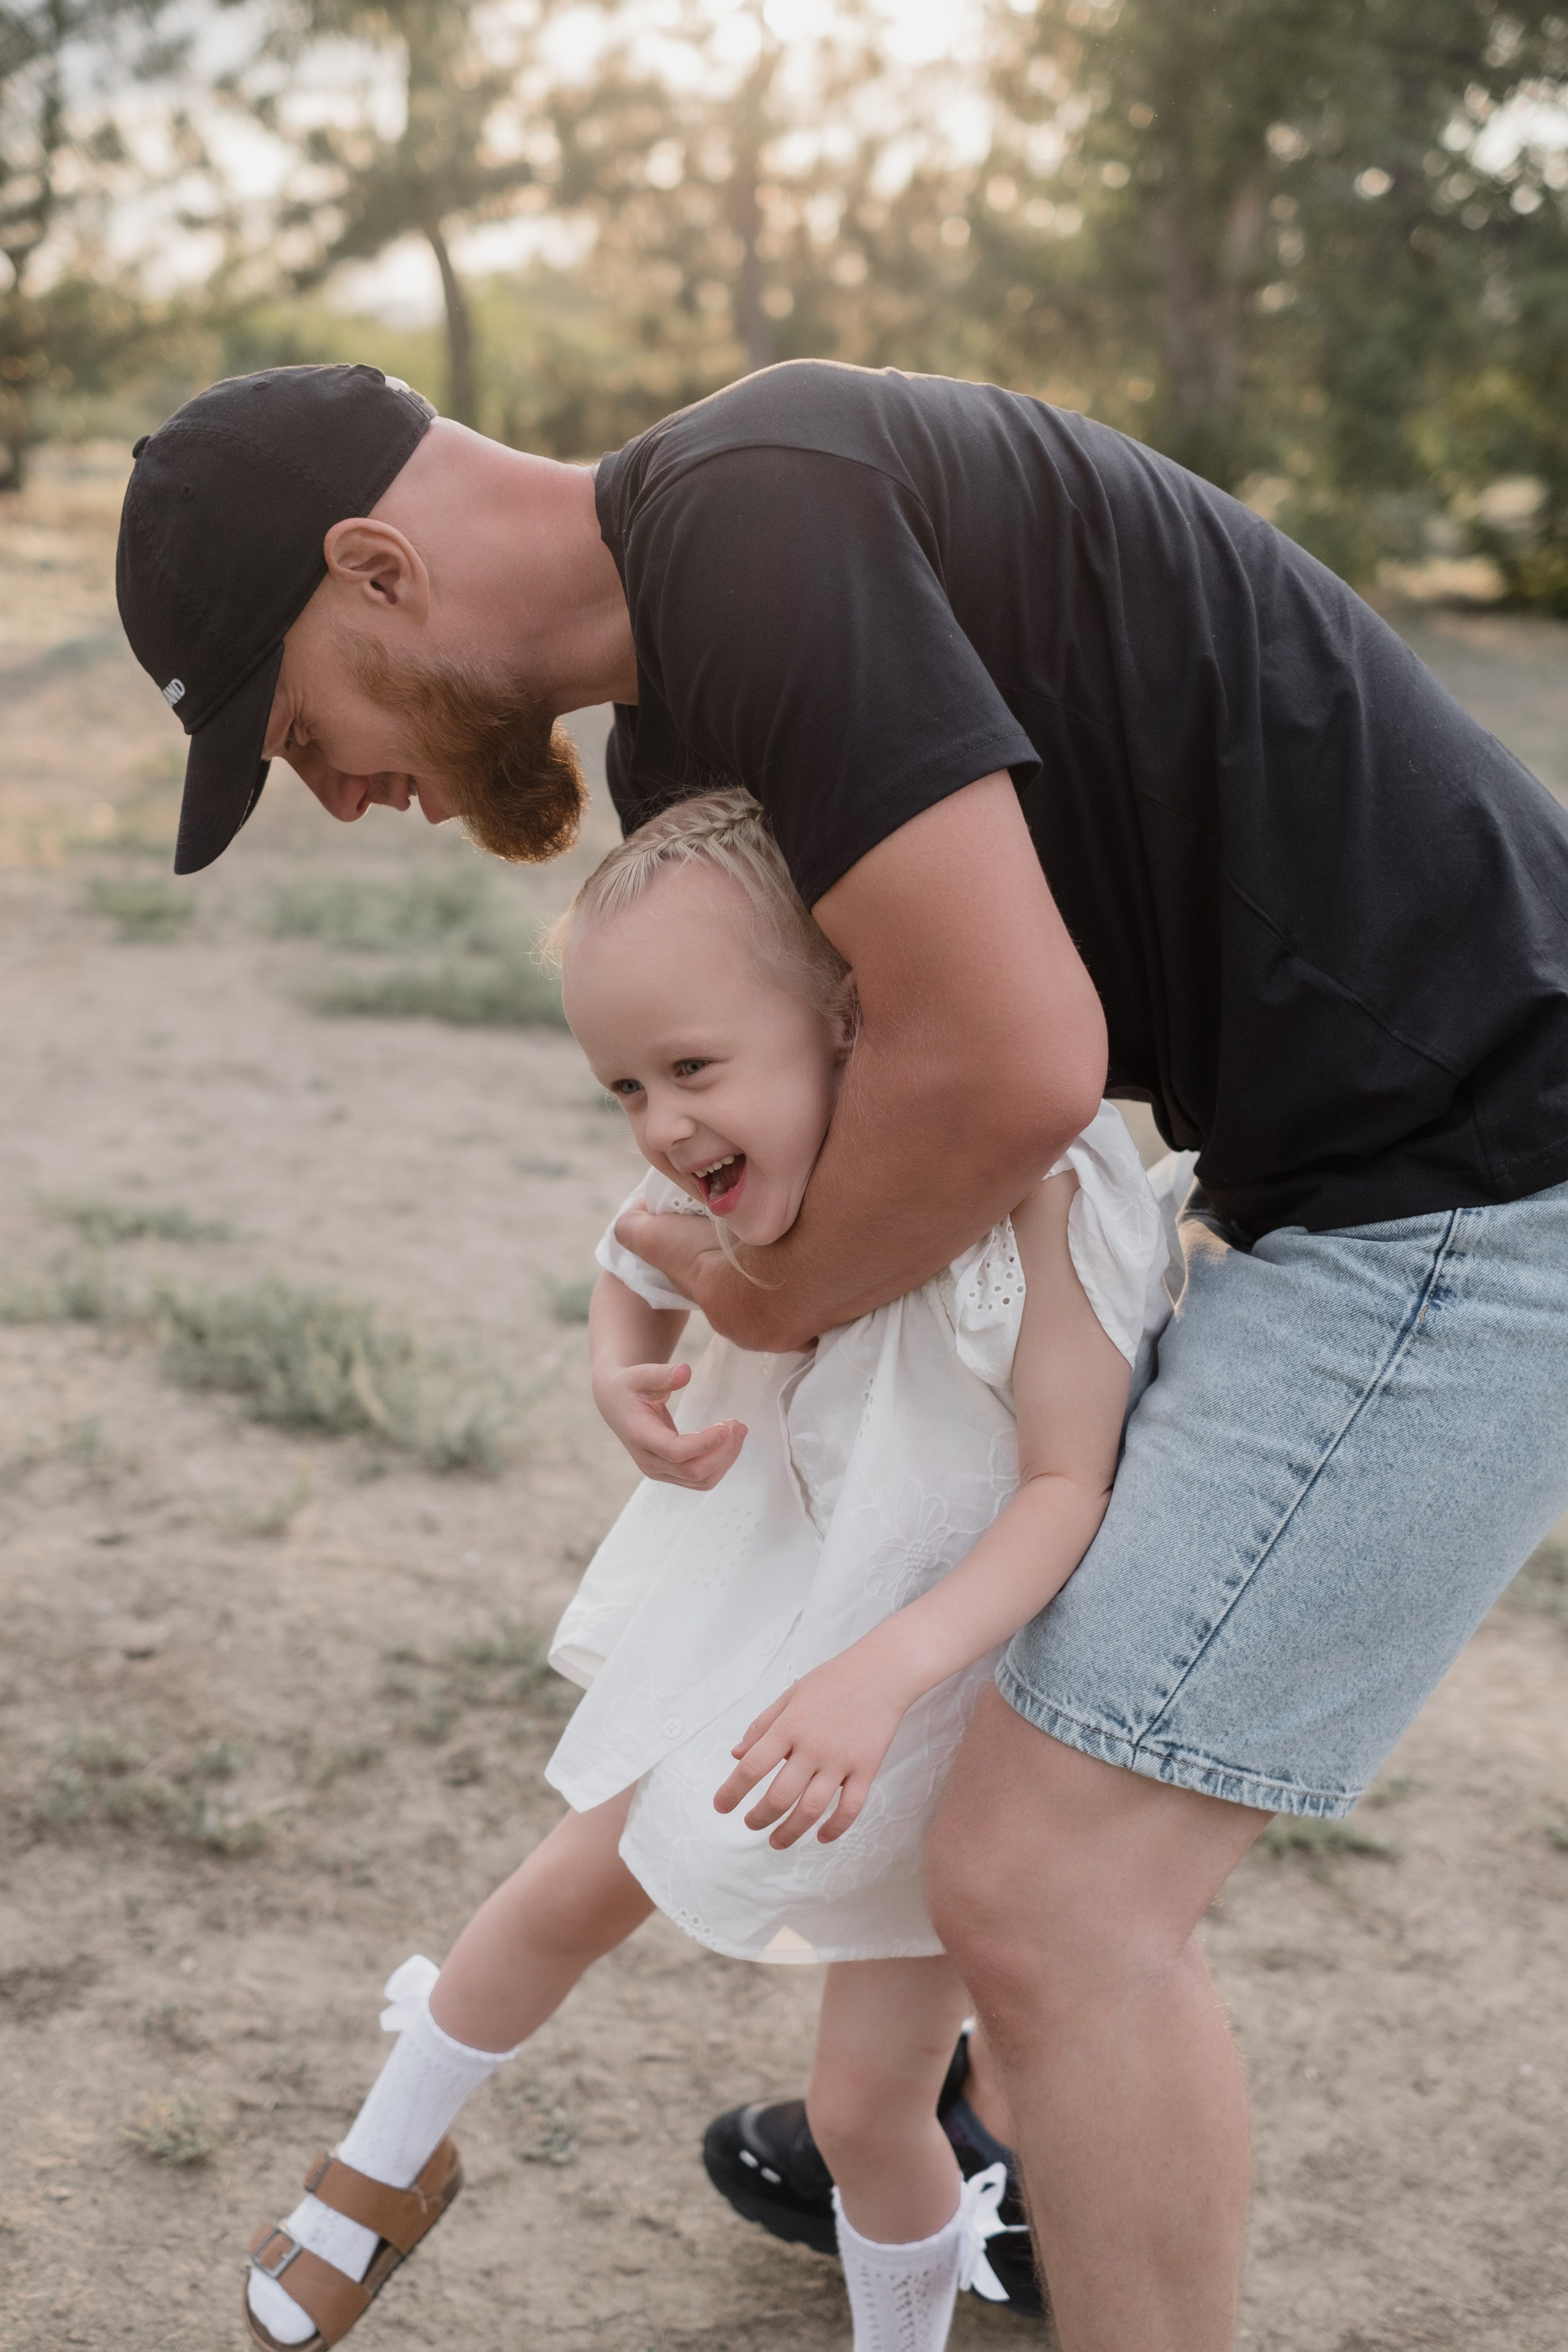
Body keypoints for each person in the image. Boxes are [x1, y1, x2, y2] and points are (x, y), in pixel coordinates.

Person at [118, 360, 1568, 2351]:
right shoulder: (682, 740)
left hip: (1482, 1161)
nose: (341, 792)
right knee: (1006, 1838)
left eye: (299, 728)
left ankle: (1023, 2105)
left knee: (1056, 1889)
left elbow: (1014, 1071)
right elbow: (840, 1167)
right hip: (1340, 1172)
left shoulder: (755, 514)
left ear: (376, 567)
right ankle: (961, 2119)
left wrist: (760, 1292)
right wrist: (676, 1268)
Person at [241, 788, 1169, 2352]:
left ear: (849, 1020)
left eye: (689, 1069)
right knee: (562, 1886)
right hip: (765, 1622)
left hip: (940, 1701)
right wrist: (622, 1362)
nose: (664, 1124)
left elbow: (1068, 1484)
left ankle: (902, 2329)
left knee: (868, 2107)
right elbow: (635, 1238)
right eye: (623, 1085)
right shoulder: (748, 1146)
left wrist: (881, 1677)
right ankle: (382, 2161)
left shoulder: (1045, 1188)